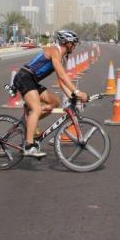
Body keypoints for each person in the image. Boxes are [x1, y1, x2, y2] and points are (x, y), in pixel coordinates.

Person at [12, 29, 88, 158]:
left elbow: (61, 82)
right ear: (68, 43)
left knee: (55, 102)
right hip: (24, 77)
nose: (74, 46)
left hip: (31, 80)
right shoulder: (54, 50)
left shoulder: (61, 58)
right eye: (74, 43)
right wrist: (77, 91)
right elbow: (63, 76)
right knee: (36, 109)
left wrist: (73, 97)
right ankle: (29, 146)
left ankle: (30, 122)